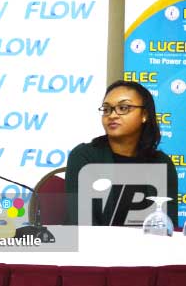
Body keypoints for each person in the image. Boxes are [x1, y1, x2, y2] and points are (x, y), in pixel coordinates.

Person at [65, 80, 178, 225]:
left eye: (123, 108)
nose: (112, 115)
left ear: (144, 115)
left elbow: (168, 223)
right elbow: (80, 221)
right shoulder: (84, 156)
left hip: (147, 246)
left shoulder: (162, 163)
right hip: (93, 245)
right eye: (106, 109)